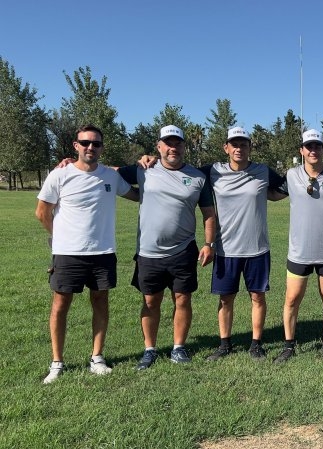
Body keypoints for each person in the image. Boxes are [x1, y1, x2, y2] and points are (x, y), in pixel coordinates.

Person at [35, 125, 138, 383]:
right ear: (76, 145)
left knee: (100, 301)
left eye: (96, 144)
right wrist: (58, 238)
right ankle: (57, 363)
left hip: (103, 251)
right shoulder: (60, 175)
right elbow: (42, 212)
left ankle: (97, 358)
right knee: (60, 306)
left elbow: (136, 194)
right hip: (67, 253)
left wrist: (149, 168)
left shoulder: (110, 176)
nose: (90, 147)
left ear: (102, 147)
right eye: (85, 143)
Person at [118, 125, 217, 370]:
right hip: (148, 251)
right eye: (168, 143)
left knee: (182, 299)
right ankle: (149, 350)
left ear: (184, 146)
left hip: (183, 250)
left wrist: (208, 244)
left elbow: (208, 214)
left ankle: (178, 347)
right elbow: (106, 172)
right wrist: (71, 162)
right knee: (151, 301)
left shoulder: (197, 177)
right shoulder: (143, 170)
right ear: (159, 146)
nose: (173, 147)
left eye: (178, 143)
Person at [201, 127, 286, 361]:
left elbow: (286, 186)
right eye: (234, 144)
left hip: (257, 248)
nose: (239, 148)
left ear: (250, 147)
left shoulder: (262, 171)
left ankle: (256, 343)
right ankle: (224, 344)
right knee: (225, 298)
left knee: (257, 297)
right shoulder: (212, 171)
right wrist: (151, 161)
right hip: (226, 248)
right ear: (226, 148)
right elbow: (180, 172)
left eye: (243, 144)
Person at [271, 129, 323, 363]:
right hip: (299, 251)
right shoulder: (291, 175)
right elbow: (274, 194)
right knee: (292, 299)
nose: (313, 150)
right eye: (309, 147)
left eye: (317, 146)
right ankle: (288, 345)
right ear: (302, 150)